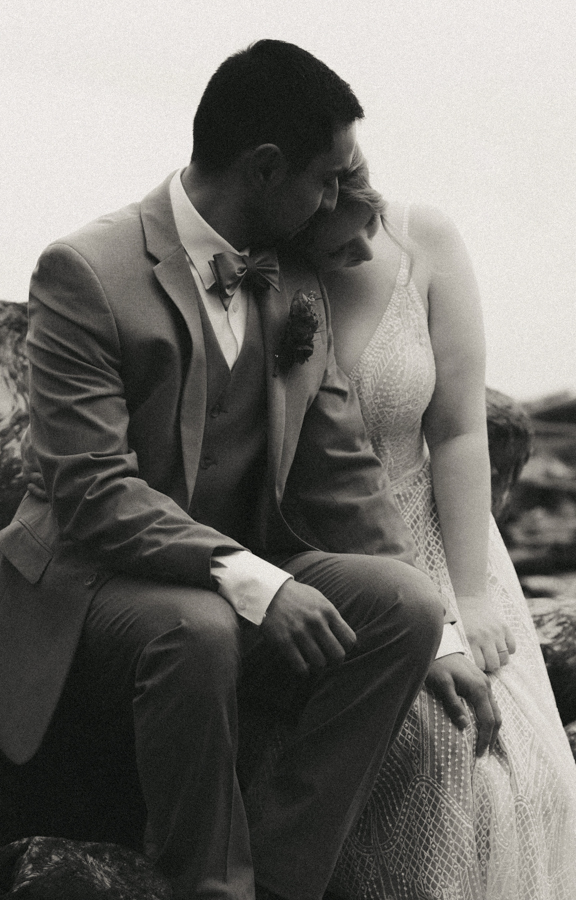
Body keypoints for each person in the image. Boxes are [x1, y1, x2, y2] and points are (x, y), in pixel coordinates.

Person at [0, 39, 494, 900]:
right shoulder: (87, 270)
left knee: (404, 606)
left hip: (232, 573)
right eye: (330, 178)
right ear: (267, 169)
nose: (341, 198)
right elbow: (91, 492)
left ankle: (282, 877)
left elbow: (341, 475)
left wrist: (443, 640)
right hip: (92, 584)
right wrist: (254, 579)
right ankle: (210, 885)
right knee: (199, 628)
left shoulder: (290, 278)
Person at [292, 148, 576, 899]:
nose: (366, 244)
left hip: (447, 539)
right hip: (335, 555)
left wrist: (473, 596)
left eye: (371, 220)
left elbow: (457, 430)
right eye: (343, 239)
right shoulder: (268, 273)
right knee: (413, 772)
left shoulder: (426, 239)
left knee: (524, 782)